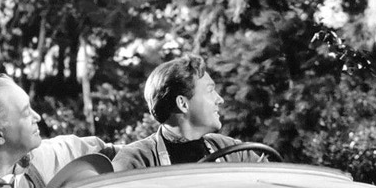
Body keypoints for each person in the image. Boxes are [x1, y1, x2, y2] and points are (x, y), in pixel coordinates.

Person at [112, 55, 263, 170]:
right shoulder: (135, 161)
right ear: (183, 104)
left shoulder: (235, 151)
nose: (220, 99)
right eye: (210, 91)